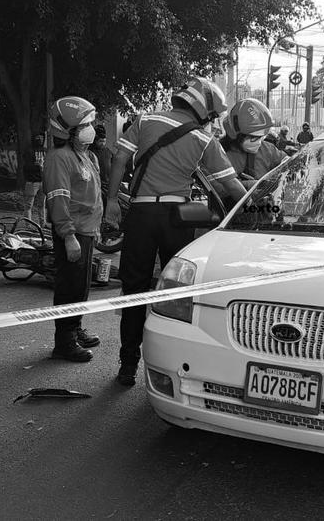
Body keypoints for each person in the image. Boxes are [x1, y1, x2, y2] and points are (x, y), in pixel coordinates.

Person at [105, 77, 247, 386]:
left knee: (134, 291)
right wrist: (261, 210)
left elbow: (118, 158)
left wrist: (112, 200)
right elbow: (231, 185)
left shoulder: (144, 121)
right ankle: (173, 369)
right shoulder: (203, 140)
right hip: (176, 220)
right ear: (203, 109)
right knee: (176, 296)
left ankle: (127, 364)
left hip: (141, 215)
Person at [42, 97, 104, 362]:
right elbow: (58, 199)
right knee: (69, 287)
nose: (90, 128)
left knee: (81, 287)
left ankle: (75, 328)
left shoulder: (86, 155)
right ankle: (64, 342)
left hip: (87, 231)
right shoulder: (59, 158)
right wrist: (68, 236)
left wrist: (96, 228)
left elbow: (92, 194)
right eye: (84, 124)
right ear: (67, 130)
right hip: (73, 232)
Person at [218, 98, 287, 189]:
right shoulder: (219, 154)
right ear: (237, 134)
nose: (259, 142)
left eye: (262, 137)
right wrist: (247, 185)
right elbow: (217, 188)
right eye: (254, 137)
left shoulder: (268, 150)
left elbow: (288, 163)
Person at [22, 133, 46, 223]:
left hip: (42, 181)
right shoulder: (29, 151)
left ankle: (42, 224)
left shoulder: (44, 151)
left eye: (42, 137)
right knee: (28, 205)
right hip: (32, 182)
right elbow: (26, 167)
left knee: (42, 204)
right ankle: (28, 225)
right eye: (38, 137)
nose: (40, 139)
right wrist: (39, 166)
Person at [89, 124, 112, 218]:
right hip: (95, 187)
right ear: (95, 141)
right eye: (100, 141)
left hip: (107, 185)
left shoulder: (108, 151)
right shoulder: (90, 152)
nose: (102, 143)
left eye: (104, 141)